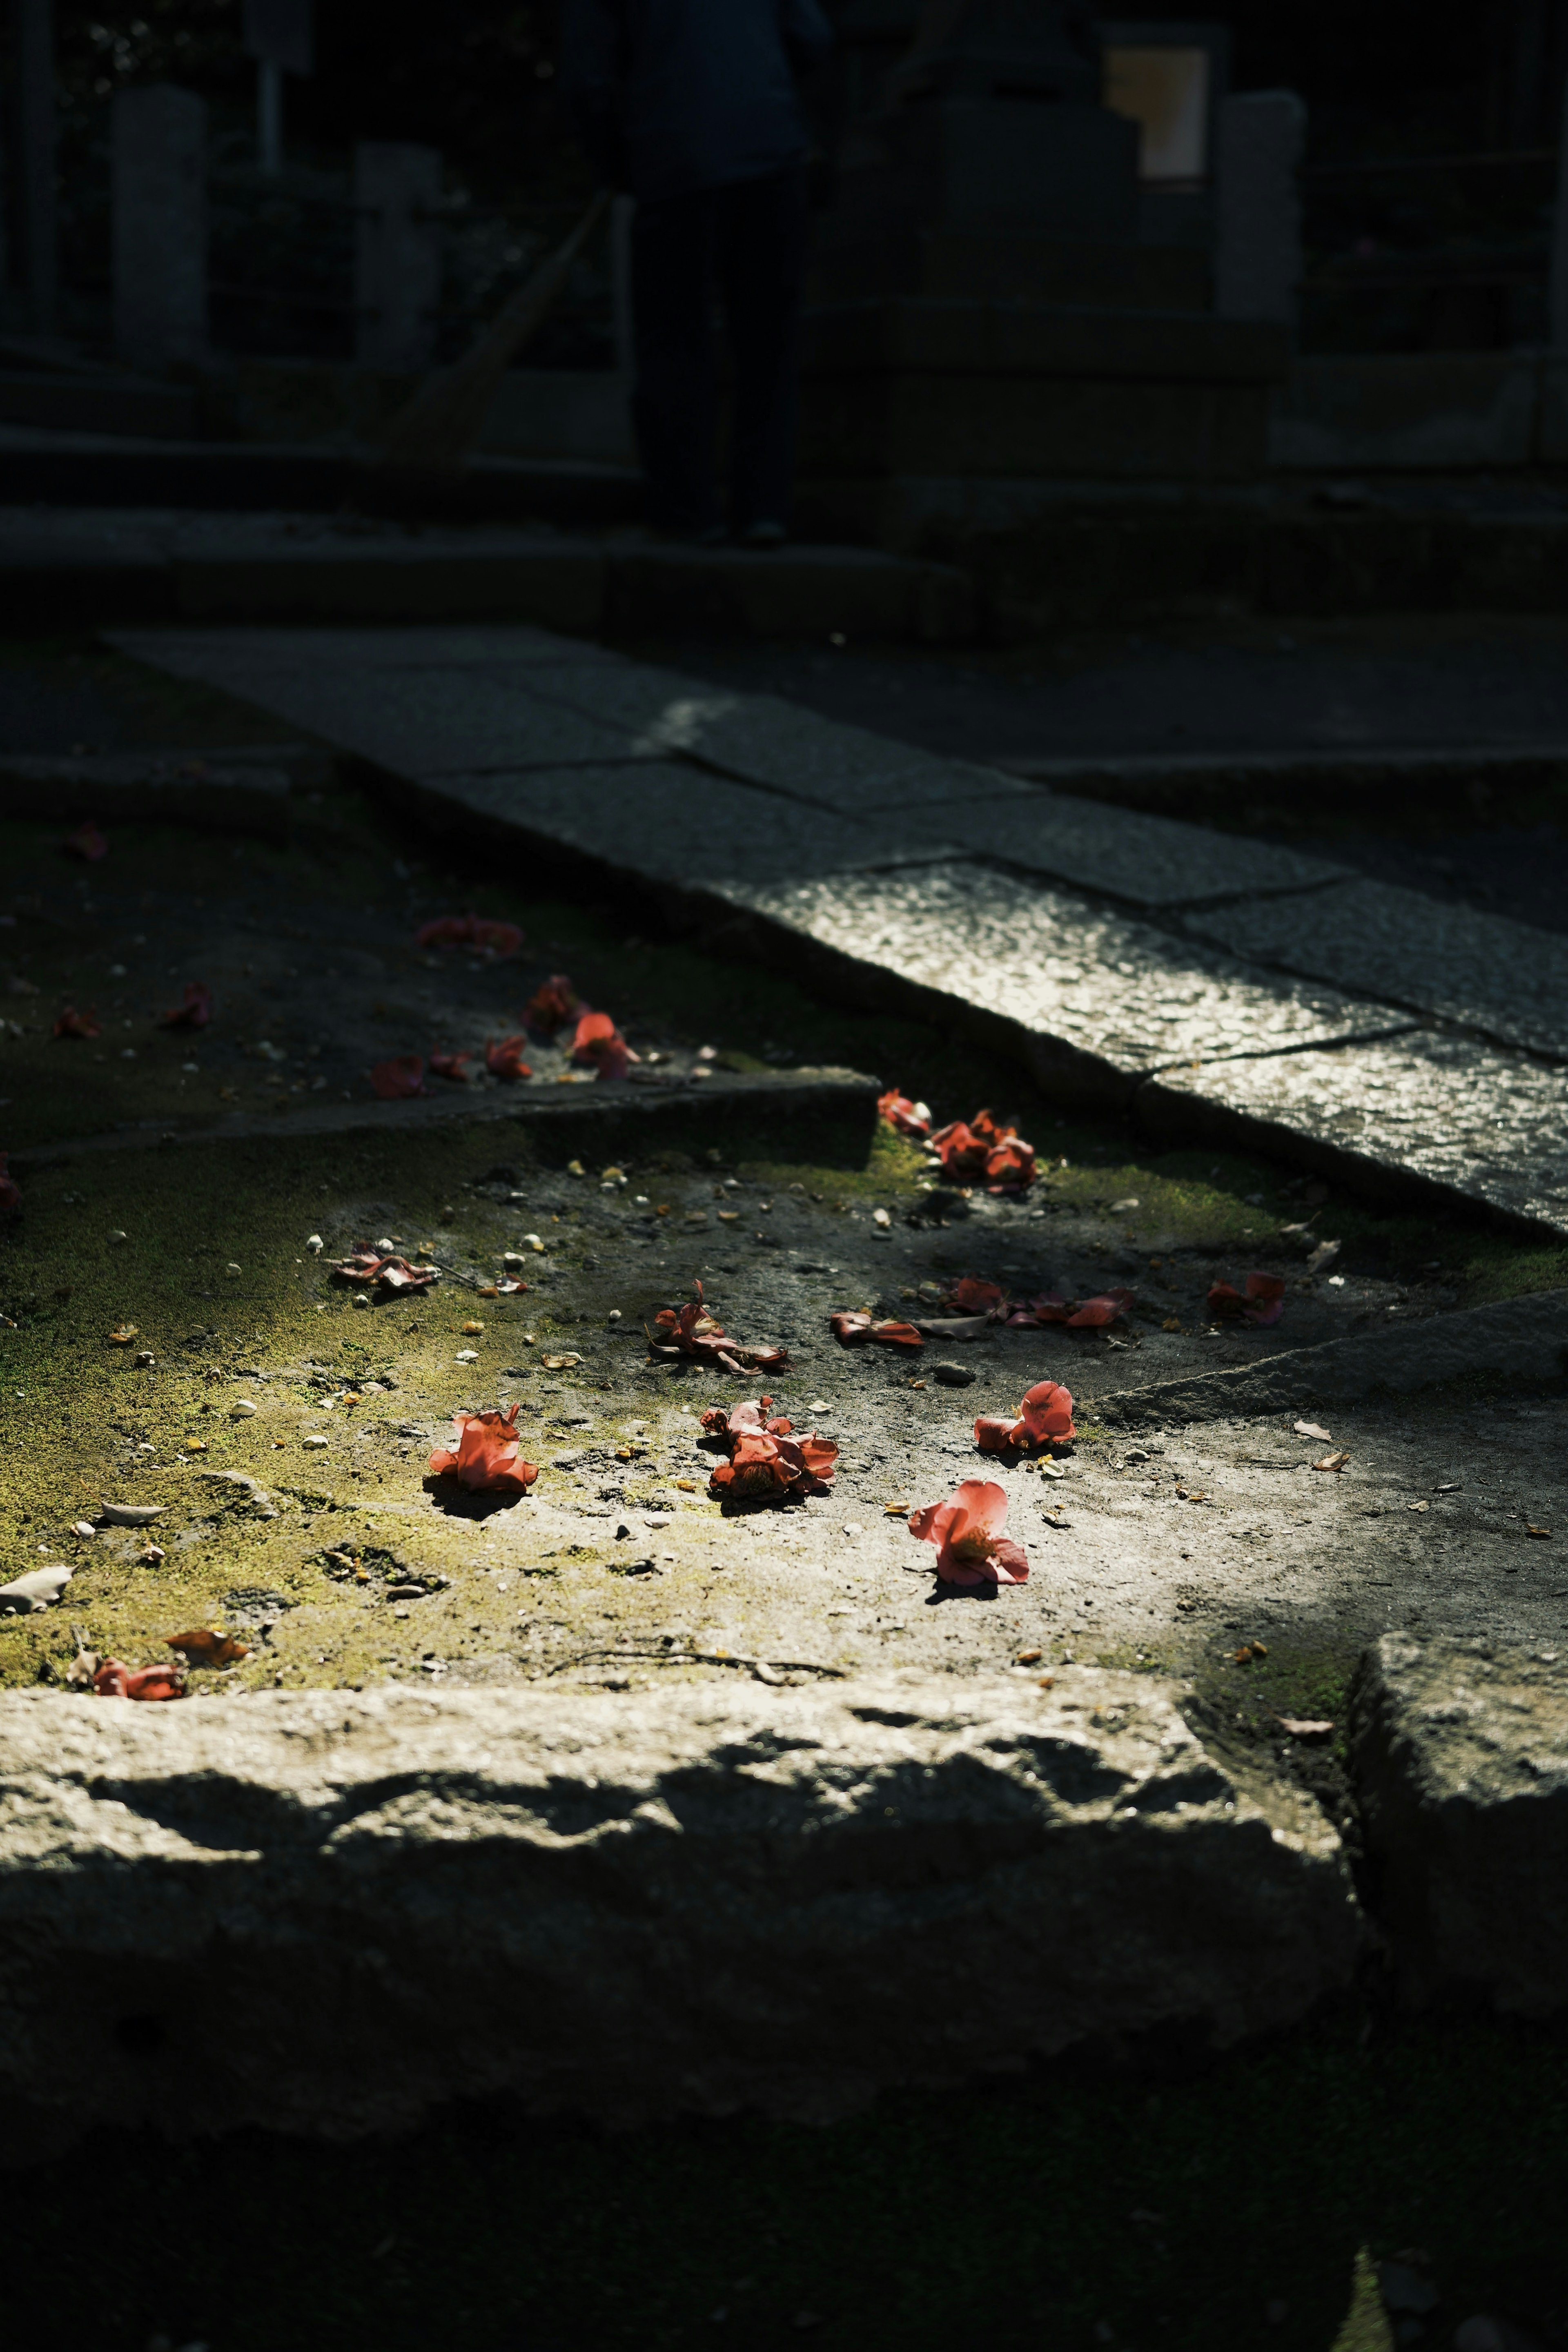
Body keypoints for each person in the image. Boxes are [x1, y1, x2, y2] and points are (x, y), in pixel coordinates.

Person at [561, 0, 833, 546]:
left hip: (676, 157)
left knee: (673, 340)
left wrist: (616, 162)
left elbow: (587, 78)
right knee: (768, 348)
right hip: (770, 152)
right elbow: (813, 39)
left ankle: (690, 513)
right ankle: (764, 511)